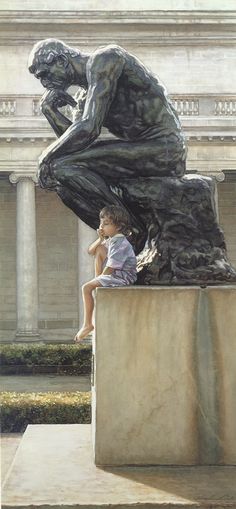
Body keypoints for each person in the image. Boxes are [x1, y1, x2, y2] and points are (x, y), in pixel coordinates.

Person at [28, 39, 187, 253]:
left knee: (57, 167)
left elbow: (89, 129)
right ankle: (123, 232)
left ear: (62, 61)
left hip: (164, 148)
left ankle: (131, 230)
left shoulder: (106, 59)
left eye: (44, 74)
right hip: (139, 150)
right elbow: (78, 145)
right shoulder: (84, 96)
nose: (45, 84)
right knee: (60, 179)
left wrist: (45, 157)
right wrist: (50, 111)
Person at [74, 205, 137, 342]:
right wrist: (100, 239)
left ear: (119, 226)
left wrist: (98, 281)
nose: (102, 227)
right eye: (101, 223)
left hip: (122, 277)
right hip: (114, 274)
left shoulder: (120, 243)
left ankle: (88, 324)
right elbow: (91, 251)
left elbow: (111, 267)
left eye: (106, 224)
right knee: (100, 250)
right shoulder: (112, 240)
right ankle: (97, 283)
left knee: (86, 288)